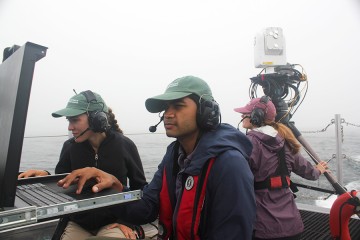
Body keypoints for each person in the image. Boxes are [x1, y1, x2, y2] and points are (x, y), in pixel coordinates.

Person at [57, 76, 257, 240]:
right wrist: (114, 186)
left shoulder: (230, 163)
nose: (168, 114)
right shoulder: (173, 156)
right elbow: (146, 208)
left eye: (178, 106)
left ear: (207, 112)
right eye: (166, 108)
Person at [19, 90, 147, 240]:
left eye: (74, 120)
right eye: (69, 121)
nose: (69, 127)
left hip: (114, 223)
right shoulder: (69, 147)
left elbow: (140, 188)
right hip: (78, 223)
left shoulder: (125, 145)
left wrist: (126, 221)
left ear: (97, 119)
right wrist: (45, 177)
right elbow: (63, 184)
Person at [234, 96, 329, 240]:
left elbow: (234, 181)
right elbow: (309, 173)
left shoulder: (247, 144)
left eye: (246, 113)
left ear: (256, 116)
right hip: (292, 226)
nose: (242, 115)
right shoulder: (286, 142)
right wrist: (318, 170)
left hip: (263, 229)